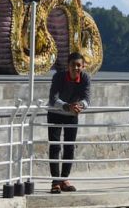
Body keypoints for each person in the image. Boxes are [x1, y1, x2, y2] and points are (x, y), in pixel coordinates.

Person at [47, 51, 91, 193]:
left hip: (72, 113)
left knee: (69, 147)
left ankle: (64, 179)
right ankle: (55, 182)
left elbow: (87, 99)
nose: (76, 68)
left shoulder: (85, 78)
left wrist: (79, 106)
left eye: (79, 65)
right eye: (73, 65)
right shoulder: (58, 77)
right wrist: (67, 106)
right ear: (68, 65)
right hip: (55, 113)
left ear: (83, 66)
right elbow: (53, 99)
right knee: (55, 147)